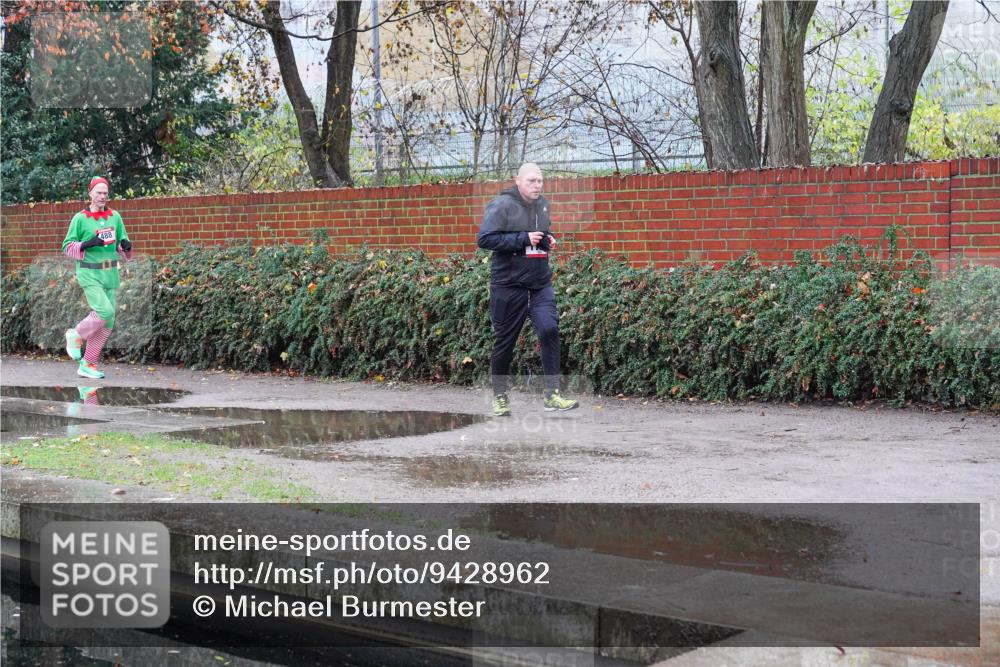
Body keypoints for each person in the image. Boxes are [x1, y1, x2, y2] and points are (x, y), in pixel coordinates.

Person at [477, 163, 578, 416]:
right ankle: (500, 397)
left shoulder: (543, 204)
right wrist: (522, 238)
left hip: (540, 284)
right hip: (509, 286)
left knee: (549, 329)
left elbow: (540, 234)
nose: (537, 186)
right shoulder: (501, 205)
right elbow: (485, 239)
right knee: (505, 342)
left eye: (540, 181)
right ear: (518, 181)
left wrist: (548, 238)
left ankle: (552, 395)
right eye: (532, 181)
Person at [61, 176, 133, 379]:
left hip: (109, 272)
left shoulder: (115, 217)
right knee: (104, 310)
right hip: (88, 271)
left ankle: (88, 364)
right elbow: (67, 246)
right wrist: (86, 244)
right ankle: (76, 334)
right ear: (90, 194)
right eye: (98, 193)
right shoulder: (80, 219)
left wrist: (126, 247)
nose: (102, 197)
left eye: (105, 194)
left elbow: (121, 243)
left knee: (108, 321)